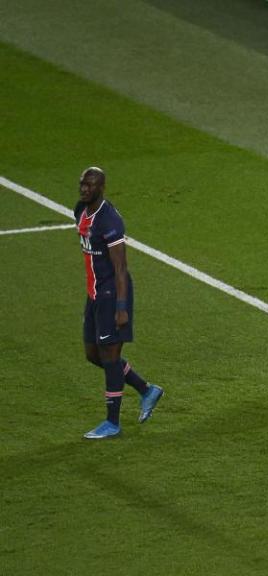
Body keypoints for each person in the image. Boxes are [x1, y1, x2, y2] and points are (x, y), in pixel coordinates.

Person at [75, 167, 163, 439]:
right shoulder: (80, 210)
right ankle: (147, 390)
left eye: (90, 185)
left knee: (110, 357)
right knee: (93, 354)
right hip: (94, 294)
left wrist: (122, 307)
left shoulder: (110, 221)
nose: (85, 188)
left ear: (102, 188)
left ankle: (112, 423)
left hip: (112, 295)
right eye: (83, 183)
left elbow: (121, 267)